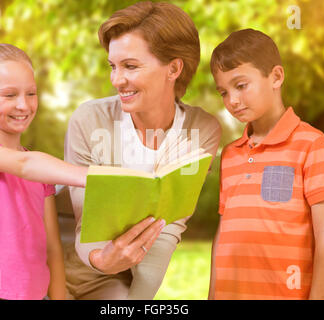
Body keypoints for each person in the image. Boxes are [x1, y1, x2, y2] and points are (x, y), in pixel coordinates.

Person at [57, 1, 222, 299]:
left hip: (117, 286)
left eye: (130, 66)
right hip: (61, 271)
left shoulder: (202, 130)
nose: (117, 80)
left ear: (173, 68)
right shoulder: (90, 120)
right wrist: (102, 261)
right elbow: (88, 222)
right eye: (113, 66)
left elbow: (168, 228)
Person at [0, 40, 89, 300]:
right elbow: (23, 165)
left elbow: (52, 250)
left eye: (31, 93)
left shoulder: (40, 174)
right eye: (10, 95)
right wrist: (93, 177)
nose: (23, 105)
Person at [208, 29, 324, 300]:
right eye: (223, 91)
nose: (232, 100)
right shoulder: (230, 154)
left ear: (276, 77)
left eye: (241, 85)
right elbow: (224, 233)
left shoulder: (312, 144)